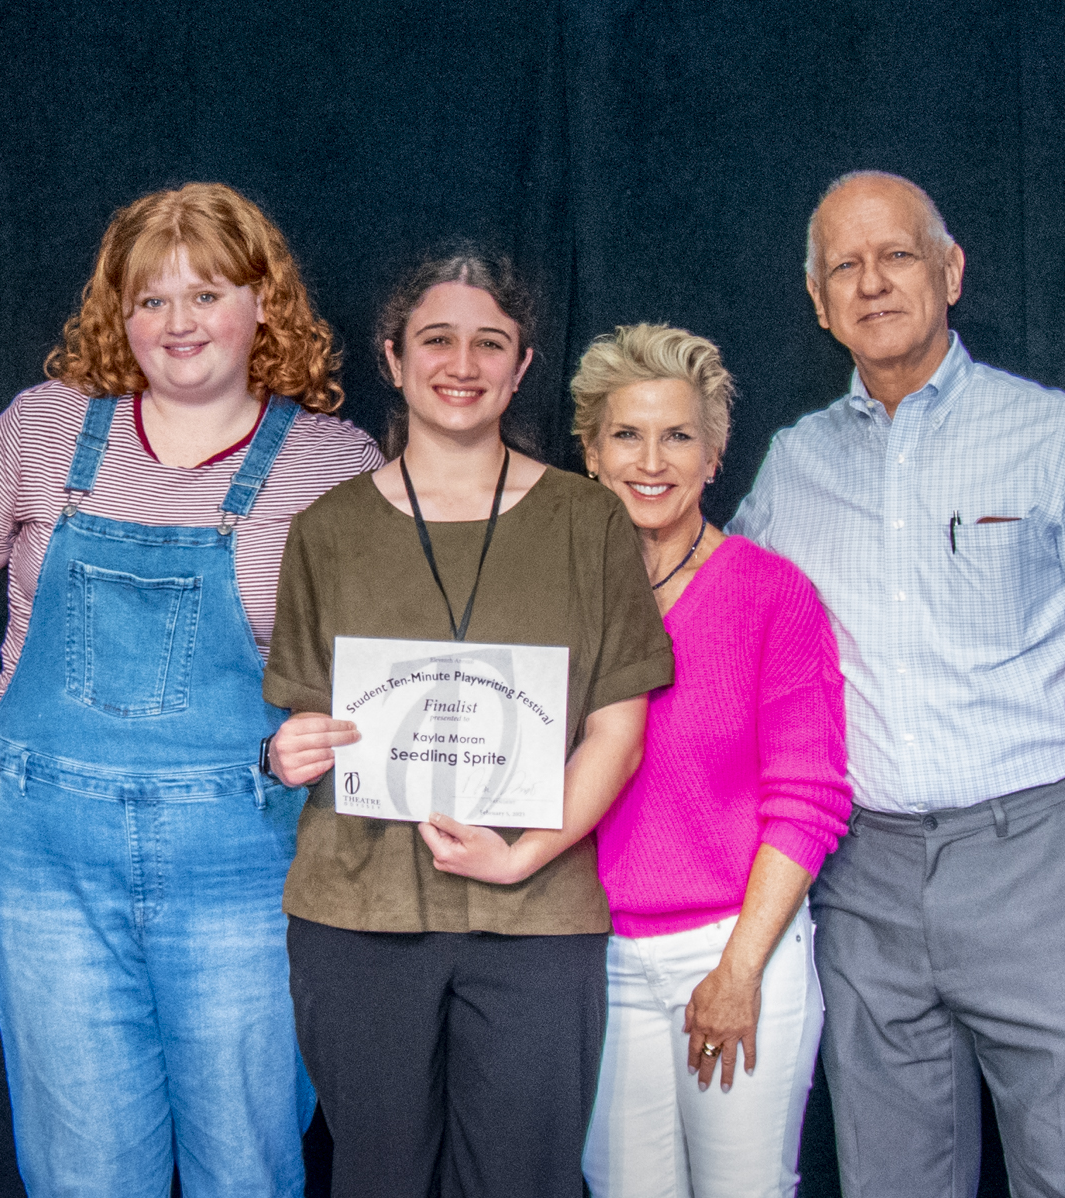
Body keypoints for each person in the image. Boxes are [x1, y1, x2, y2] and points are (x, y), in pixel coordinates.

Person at [0, 182, 381, 1196]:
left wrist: (334, 734)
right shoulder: (44, 427)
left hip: (241, 871)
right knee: (80, 1176)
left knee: (244, 1171)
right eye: (149, 300)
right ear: (118, 315)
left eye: (205, 295)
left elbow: (377, 671)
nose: (176, 324)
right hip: (49, 867)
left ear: (262, 305)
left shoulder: (335, 466)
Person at [729, 171, 1065, 1198]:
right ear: (815, 301)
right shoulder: (790, 465)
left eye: (894, 254)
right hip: (864, 883)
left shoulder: (1055, 435)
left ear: (949, 270)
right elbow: (714, 626)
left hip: (1039, 870)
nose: (871, 281)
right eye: (842, 265)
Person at [264, 251, 674, 1198]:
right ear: (393, 359)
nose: (462, 362)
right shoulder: (326, 529)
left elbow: (620, 727)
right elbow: (301, 720)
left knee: (525, 1181)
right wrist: (287, 749)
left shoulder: (590, 521)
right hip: (357, 915)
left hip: (538, 916)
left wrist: (525, 854)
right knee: (378, 1178)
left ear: (522, 365)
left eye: (490, 342)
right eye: (436, 339)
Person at [568, 323, 851, 1197]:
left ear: (716, 454)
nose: (651, 459)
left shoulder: (772, 594)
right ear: (590, 452)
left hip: (734, 949)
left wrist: (738, 970)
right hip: (595, 957)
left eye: (679, 435)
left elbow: (809, 800)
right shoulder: (555, 595)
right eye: (627, 434)